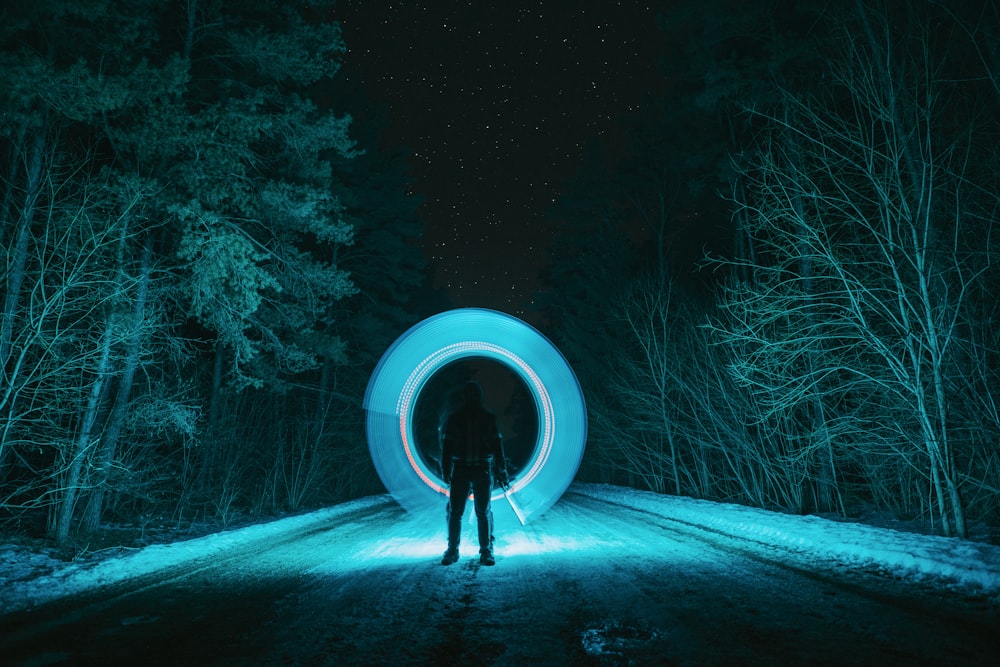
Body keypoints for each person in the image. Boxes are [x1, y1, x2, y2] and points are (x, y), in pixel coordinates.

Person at [439, 380, 509, 566]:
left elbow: (496, 445)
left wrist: (502, 468)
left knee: (480, 512)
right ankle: (455, 550)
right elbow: (447, 446)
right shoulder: (460, 418)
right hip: (467, 469)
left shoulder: (482, 418)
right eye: (469, 395)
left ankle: (483, 551)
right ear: (466, 396)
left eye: (474, 395)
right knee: (459, 512)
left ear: (478, 396)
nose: (472, 398)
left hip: (478, 469)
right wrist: (445, 468)